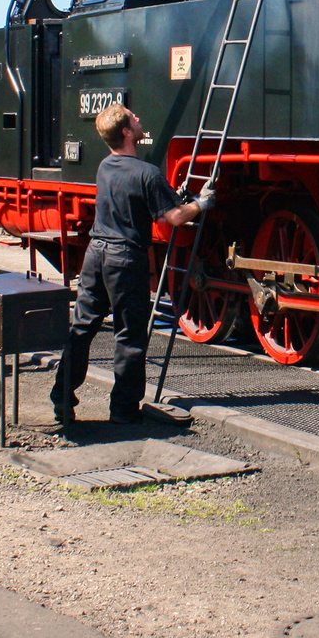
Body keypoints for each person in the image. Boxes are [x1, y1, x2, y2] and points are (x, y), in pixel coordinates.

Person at [51, 104, 212, 425]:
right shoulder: (147, 173)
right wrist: (202, 202)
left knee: (82, 328)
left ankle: (62, 398)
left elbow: (137, 196)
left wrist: (169, 195)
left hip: (96, 256)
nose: (139, 118)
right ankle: (123, 410)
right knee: (130, 335)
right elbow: (176, 217)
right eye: (134, 118)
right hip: (125, 259)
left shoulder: (106, 166)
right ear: (127, 132)